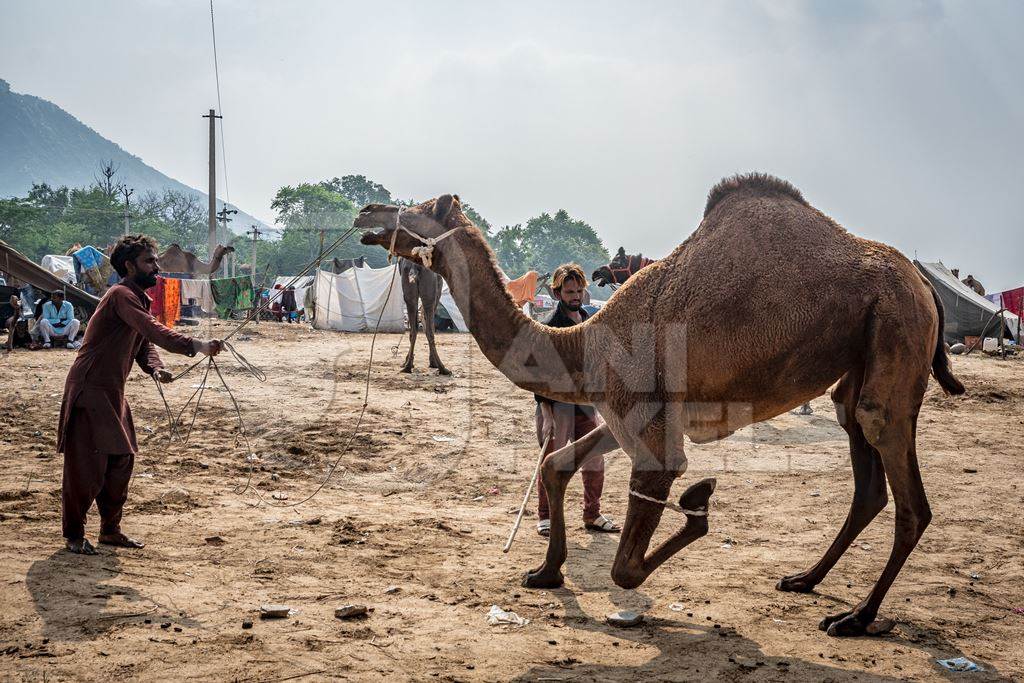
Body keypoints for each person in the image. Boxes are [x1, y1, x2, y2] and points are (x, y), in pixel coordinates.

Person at [57, 234, 223, 555]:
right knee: (87, 464)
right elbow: (150, 329)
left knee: (122, 458)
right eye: (150, 261)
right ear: (129, 266)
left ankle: (110, 531)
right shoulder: (120, 294)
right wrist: (197, 346)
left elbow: (143, 344)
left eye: (156, 260)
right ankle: (74, 534)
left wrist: (155, 368)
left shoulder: (136, 298)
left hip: (112, 391)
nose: (156, 267)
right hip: (91, 388)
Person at [535, 263, 619, 536]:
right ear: (558, 293)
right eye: (569, 291)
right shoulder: (549, 326)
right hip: (555, 405)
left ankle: (591, 514)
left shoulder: (589, 322)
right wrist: (547, 417)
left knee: (594, 458)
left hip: (584, 405)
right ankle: (546, 516)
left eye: (579, 290)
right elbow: (540, 377)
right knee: (554, 462)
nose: (575, 295)